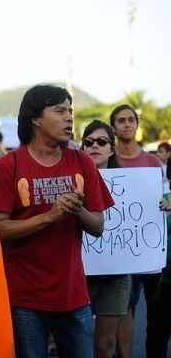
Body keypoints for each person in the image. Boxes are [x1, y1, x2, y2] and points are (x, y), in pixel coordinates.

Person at [0, 85, 114, 358]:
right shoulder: (9, 166)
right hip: (24, 300)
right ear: (35, 118)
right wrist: (49, 217)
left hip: (73, 296)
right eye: (60, 111)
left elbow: (98, 226)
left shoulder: (82, 162)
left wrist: (76, 210)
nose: (69, 117)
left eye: (71, 111)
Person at [109, 104, 168, 357]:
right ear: (113, 127)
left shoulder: (153, 162)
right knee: (124, 310)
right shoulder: (109, 162)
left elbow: (164, 196)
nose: (126, 124)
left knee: (157, 313)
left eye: (131, 119)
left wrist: (167, 203)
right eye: (120, 120)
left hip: (152, 248)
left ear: (136, 124)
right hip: (122, 251)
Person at [80, 120, 131, 358]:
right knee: (74, 342)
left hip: (116, 275)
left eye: (102, 142)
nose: (94, 147)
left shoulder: (133, 185)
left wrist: (161, 205)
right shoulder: (69, 179)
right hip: (77, 274)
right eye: (88, 142)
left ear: (112, 148)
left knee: (105, 344)